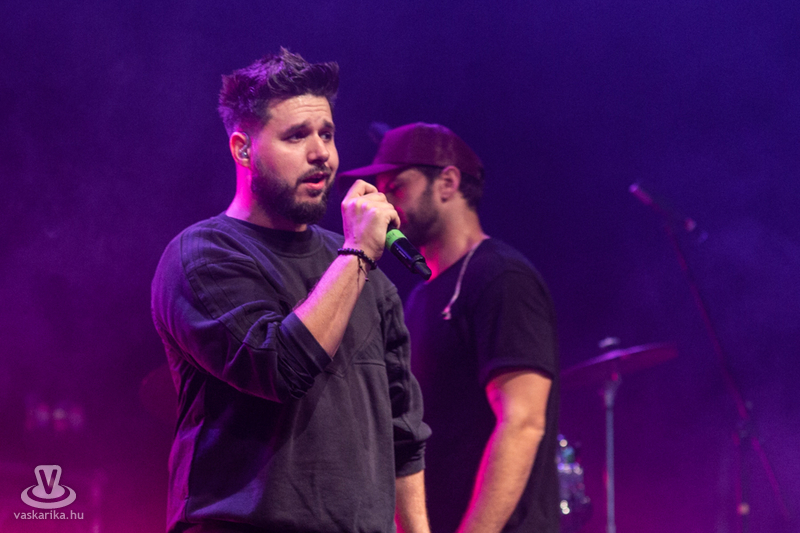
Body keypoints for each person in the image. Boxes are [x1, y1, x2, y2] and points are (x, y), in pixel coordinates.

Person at [150, 50, 431, 533]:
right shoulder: (202, 255)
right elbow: (280, 368)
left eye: (327, 134)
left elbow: (403, 435)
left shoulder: (368, 275)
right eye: (297, 136)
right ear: (243, 150)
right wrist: (359, 252)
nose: (321, 152)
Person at [339, 123, 560, 533]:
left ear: (448, 182)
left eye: (397, 187)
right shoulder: (420, 297)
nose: (387, 204)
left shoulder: (502, 277)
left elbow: (523, 422)